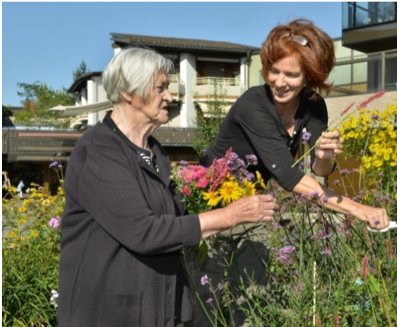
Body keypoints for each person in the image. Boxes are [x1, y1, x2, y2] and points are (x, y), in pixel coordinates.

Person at [58, 48, 278, 327]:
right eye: (161, 88)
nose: (170, 97)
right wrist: (231, 215)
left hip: (156, 309)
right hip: (110, 314)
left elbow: (175, 223)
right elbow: (145, 232)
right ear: (128, 92)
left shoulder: (153, 151)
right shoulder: (99, 152)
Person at [190, 19, 390, 326]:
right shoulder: (252, 105)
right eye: (274, 70)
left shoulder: (314, 107)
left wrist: (324, 155)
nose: (279, 81)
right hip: (210, 206)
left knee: (252, 305)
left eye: (291, 74)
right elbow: (287, 175)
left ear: (310, 76)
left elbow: (319, 172)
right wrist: (359, 210)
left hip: (252, 208)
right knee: (205, 306)